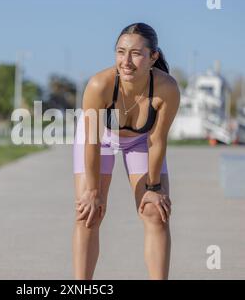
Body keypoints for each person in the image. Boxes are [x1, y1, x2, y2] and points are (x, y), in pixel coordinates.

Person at [72, 22, 180, 280]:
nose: (126, 61)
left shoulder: (167, 89)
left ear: (153, 57)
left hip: (142, 142)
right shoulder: (100, 85)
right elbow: (92, 142)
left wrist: (154, 189)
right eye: (120, 52)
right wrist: (94, 192)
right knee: (90, 213)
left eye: (136, 53)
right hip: (100, 141)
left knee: (156, 213)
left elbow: (157, 141)